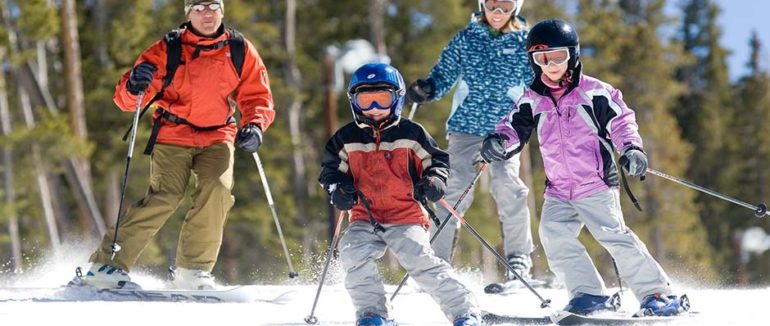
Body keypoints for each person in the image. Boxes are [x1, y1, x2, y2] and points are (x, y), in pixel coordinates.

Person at [480, 18, 687, 316]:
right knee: (553, 234)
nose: (550, 65)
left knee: (613, 236)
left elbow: (621, 121)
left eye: (558, 57)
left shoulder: (595, 92)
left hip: (596, 183)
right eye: (542, 58)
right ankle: (588, 293)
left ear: (573, 55)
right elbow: (513, 128)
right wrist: (499, 141)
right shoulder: (532, 98)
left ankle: (657, 293)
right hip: (558, 189)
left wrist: (631, 148)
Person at [81, 0, 274, 290]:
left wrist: (255, 125)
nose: (206, 13)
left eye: (213, 6)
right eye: (198, 7)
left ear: (222, 11)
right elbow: (125, 101)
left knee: (218, 190)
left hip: (218, 133)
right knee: (165, 195)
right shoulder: (167, 48)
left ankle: (193, 271)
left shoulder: (239, 48)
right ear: (188, 13)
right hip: (174, 132)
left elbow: (256, 95)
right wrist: (135, 85)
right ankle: (106, 265)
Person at [319, 63, 482, 326]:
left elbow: (436, 161)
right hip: (364, 216)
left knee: (419, 260)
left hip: (406, 215)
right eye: (366, 100)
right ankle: (373, 313)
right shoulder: (345, 138)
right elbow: (330, 171)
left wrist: (434, 181)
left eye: (382, 99)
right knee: (352, 252)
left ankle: (464, 310)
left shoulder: (411, 133)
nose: (374, 107)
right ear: (354, 102)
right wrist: (338, 189)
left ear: (397, 98)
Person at [406, 0, 536, 285]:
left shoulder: (525, 42)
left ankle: (518, 258)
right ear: (483, 5)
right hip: (465, 127)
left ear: (515, 8)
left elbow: (537, 84)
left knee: (509, 186)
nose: (497, 13)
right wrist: (428, 87)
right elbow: (444, 73)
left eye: (505, 7)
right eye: (492, 6)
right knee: (452, 189)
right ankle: (436, 261)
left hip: (505, 130)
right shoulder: (467, 38)